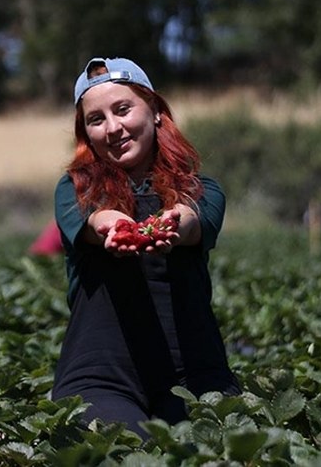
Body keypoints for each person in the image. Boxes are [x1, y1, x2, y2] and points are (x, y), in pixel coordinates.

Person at [51, 57, 240, 440]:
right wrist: (117, 227)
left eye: (123, 109)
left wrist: (170, 223)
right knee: (125, 450)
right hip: (100, 376)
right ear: (86, 133)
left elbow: (191, 221)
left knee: (217, 445)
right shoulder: (74, 189)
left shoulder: (203, 190)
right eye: (96, 119)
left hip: (195, 373)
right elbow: (96, 221)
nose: (113, 128)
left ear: (154, 111)